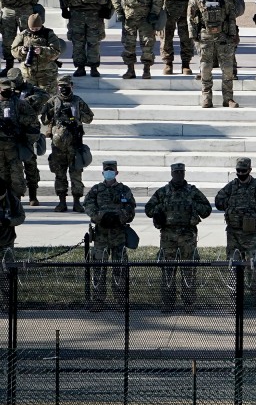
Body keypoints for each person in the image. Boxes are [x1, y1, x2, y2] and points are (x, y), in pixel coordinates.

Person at [144, 162, 212, 314]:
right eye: (176, 172)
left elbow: (207, 210)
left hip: (188, 236)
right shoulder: (163, 192)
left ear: (184, 173)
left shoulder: (192, 192)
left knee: (189, 270)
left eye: (181, 172)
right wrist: (159, 210)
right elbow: (148, 209)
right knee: (168, 270)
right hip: (168, 237)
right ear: (171, 173)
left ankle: (189, 303)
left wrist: (193, 206)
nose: (179, 175)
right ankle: (168, 303)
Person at [215, 157, 256, 315]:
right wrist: (229, 203)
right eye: (238, 172)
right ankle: (234, 306)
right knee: (234, 271)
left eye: (244, 171)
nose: (241, 174)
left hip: (252, 236)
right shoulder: (231, 187)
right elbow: (218, 201)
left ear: (250, 170)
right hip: (234, 235)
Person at [82, 160, 135, 312]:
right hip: (101, 235)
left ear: (116, 172)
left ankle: (120, 301)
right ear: (103, 172)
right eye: (107, 170)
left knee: (119, 269)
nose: (109, 173)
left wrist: (120, 217)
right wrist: (100, 217)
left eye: (111, 170)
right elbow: (88, 205)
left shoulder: (124, 190)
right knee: (98, 269)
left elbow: (130, 208)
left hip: (118, 235)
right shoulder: (96, 190)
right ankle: (98, 300)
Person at [187, 0, 239, 108]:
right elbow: (191, 18)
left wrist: (232, 33)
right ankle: (206, 97)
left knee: (227, 68)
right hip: (205, 36)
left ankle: (228, 98)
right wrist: (194, 36)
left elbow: (231, 15)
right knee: (205, 67)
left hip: (223, 36)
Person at [40, 75, 92, 212]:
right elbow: (44, 120)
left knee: (76, 174)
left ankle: (77, 201)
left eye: (66, 86)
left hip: (75, 144)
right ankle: (62, 201)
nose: (63, 89)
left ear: (71, 86)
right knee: (60, 174)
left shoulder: (78, 101)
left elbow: (89, 118)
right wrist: (50, 112)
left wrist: (77, 116)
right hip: (58, 146)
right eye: (61, 86)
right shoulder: (53, 101)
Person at [112, 0, 163, 79]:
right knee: (128, 45)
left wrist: (154, 13)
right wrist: (119, 10)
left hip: (145, 19)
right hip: (129, 18)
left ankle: (146, 70)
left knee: (147, 45)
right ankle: (130, 70)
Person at [9, 68, 48, 206]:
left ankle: (33, 195)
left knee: (30, 164)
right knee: (14, 167)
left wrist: (26, 101)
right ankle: (16, 195)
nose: (14, 84)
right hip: (12, 133)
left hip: (28, 133)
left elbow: (45, 95)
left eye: (16, 80)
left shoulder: (30, 89)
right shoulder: (8, 91)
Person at [0, 76, 38, 200]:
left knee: (16, 176)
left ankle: (17, 200)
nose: (6, 92)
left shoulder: (19, 103)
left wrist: (18, 122)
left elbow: (32, 118)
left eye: (8, 90)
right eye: (3, 90)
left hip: (14, 146)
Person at [12, 12, 62, 91]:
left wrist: (42, 50)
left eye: (37, 29)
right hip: (28, 74)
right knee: (29, 98)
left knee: (48, 97)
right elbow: (13, 50)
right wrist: (22, 51)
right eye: (32, 29)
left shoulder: (49, 34)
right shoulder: (23, 35)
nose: (34, 30)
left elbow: (56, 51)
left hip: (47, 74)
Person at [0, 174, 25, 309]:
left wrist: (9, 222)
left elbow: (21, 217)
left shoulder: (12, 200)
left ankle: (7, 304)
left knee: (6, 275)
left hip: (7, 243)